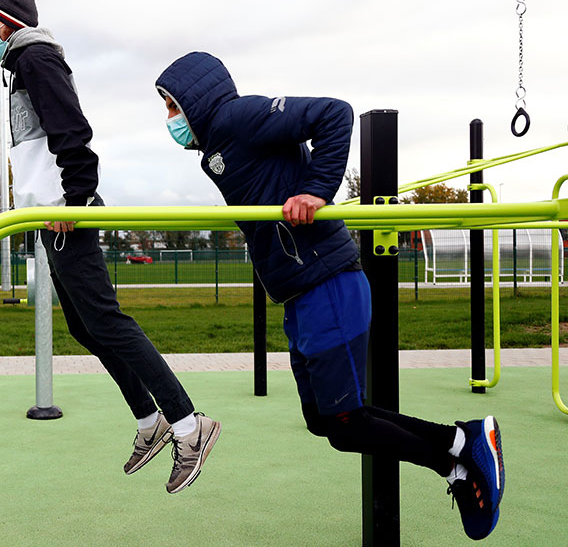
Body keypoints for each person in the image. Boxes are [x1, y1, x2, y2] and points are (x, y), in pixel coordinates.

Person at [154, 51, 505, 539]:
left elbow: (334, 112)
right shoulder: (217, 148)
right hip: (302, 292)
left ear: (197, 99)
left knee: (344, 420)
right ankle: (460, 449)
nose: (169, 119)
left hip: (327, 282)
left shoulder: (237, 117)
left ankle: (461, 452)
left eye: (173, 106)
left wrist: (317, 190)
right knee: (327, 422)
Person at [0, 0, 220, 493]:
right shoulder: (21, 66)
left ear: (8, 24)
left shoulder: (35, 57)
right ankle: (149, 422)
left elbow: (72, 130)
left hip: (65, 212)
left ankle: (188, 426)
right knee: (87, 329)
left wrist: (76, 197)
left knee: (107, 321)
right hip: (49, 215)